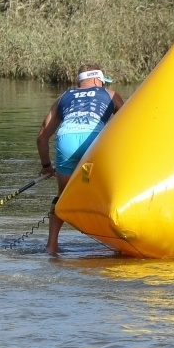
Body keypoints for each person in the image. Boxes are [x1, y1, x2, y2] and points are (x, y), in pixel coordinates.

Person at [36, 63, 125, 254]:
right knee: (107, 192)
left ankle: (51, 246)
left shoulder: (63, 98)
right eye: (102, 81)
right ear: (96, 79)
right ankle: (120, 243)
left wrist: (46, 165)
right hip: (94, 141)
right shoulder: (110, 94)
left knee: (63, 196)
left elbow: (42, 137)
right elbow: (129, 123)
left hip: (66, 139)